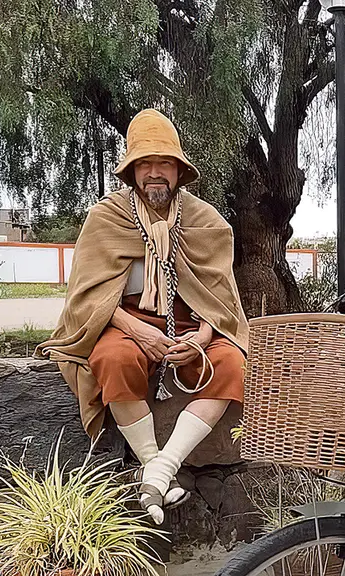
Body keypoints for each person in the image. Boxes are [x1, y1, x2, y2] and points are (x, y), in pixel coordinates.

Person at [36, 109, 249, 526]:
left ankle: (163, 465)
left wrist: (203, 338)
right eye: (145, 164)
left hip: (191, 324)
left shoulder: (207, 223)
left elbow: (219, 300)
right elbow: (88, 297)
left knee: (233, 364)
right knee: (112, 359)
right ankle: (155, 464)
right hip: (124, 322)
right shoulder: (106, 218)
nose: (155, 173)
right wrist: (136, 329)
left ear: (179, 171)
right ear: (131, 170)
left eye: (164, 163)